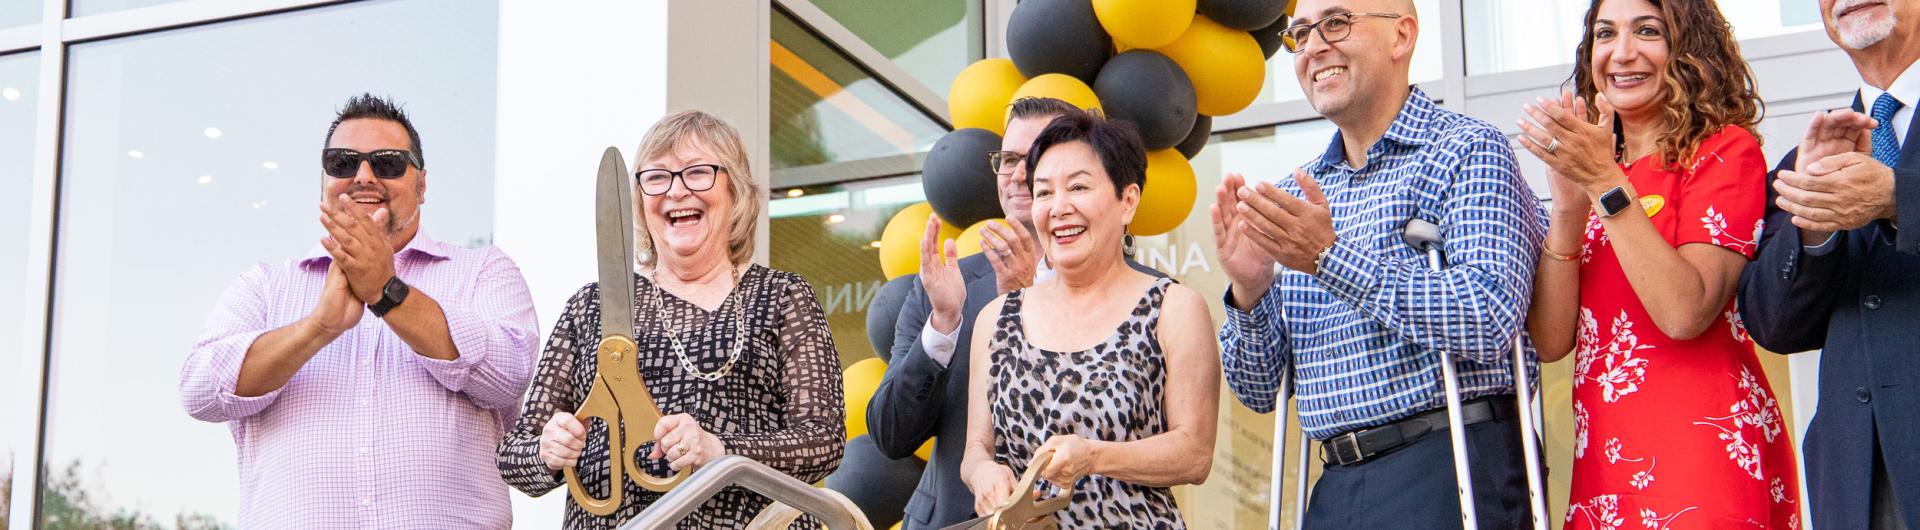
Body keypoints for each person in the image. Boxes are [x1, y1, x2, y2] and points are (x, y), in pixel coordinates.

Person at [1212, 0, 1547, 527]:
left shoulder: (1467, 151)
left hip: (1448, 464)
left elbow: (1488, 317)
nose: (1314, 46)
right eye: (1301, 33)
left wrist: (1328, 258)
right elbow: (1257, 391)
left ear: (1402, 36)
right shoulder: (1294, 197)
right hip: (1336, 486)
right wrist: (1250, 290)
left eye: (1336, 23)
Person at [180, 93, 539, 528]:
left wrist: (387, 293)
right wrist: (318, 327)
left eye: (387, 163)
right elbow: (200, 391)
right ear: (324, 180)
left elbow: (510, 374)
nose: (363, 176)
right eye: (343, 162)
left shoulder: (483, 270)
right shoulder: (265, 285)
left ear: (422, 184)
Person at [1516, 0, 1800, 526]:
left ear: (1688, 48)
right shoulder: (1599, 170)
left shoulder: (1723, 152)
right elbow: (1551, 342)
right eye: (1606, 33)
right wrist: (1568, 207)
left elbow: (1684, 313)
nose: (1622, 53)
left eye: (1647, 31)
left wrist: (1603, 182)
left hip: (1702, 452)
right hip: (1607, 461)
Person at [495, 110, 845, 529]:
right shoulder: (592, 307)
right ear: (640, 199)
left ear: (735, 190)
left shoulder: (783, 297)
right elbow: (514, 457)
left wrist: (720, 453)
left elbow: (823, 441)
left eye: (698, 173)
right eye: (657, 177)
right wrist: (547, 452)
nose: (676, 191)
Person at [867, 97, 1164, 529]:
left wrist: (1030, 307)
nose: (1019, 175)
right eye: (1008, 159)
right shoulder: (950, 285)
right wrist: (944, 326)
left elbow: (1172, 445)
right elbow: (890, 434)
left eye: (1036, 158)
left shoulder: (1146, 296)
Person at [956, 110, 1220, 529]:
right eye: (1043, 193)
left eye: (1078, 186)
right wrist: (983, 474)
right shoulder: (997, 317)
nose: (1059, 208)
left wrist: (1094, 456)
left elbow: (1195, 453)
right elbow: (976, 447)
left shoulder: (1172, 307)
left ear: (1127, 201)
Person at [1738, 0, 1920, 527]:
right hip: (1859, 483)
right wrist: (1814, 227)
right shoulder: (1809, 164)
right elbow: (1774, 324)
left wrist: (1896, 198)